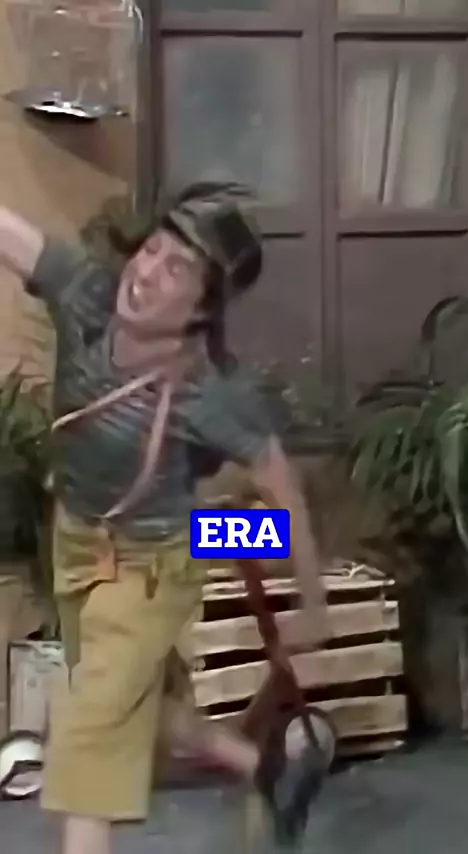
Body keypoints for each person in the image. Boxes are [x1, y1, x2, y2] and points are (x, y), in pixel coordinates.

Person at [0, 182, 329, 854]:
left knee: (90, 730)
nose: (147, 272)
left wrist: (315, 605)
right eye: (151, 249)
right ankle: (262, 767)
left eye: (177, 269)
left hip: (151, 570)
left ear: (202, 309)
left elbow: (283, 488)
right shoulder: (86, 296)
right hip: (78, 544)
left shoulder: (211, 394)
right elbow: (10, 236)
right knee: (130, 703)